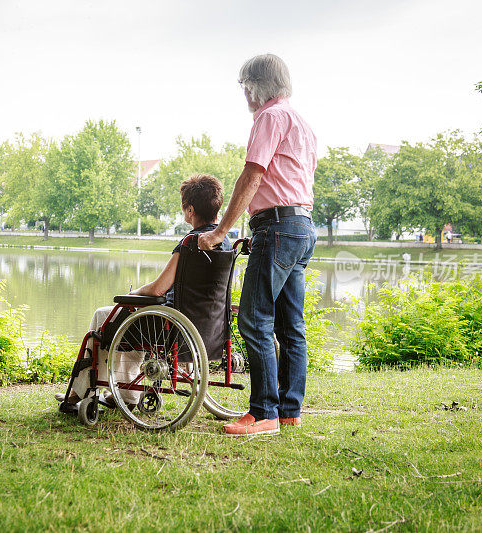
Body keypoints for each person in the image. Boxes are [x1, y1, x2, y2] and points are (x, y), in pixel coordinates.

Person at [199, 53, 317, 436]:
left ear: (255, 85)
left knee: (254, 319)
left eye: (244, 86)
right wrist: (258, 225)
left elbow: (254, 174)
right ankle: (288, 410)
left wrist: (221, 232)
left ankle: (264, 413)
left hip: (280, 229)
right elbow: (289, 183)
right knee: (290, 325)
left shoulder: (269, 117)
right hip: (299, 226)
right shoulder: (301, 122)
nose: (244, 94)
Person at [63, 173, 231, 406]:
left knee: (105, 316)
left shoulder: (190, 242)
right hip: (207, 327)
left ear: (190, 210)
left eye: (184, 208)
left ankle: (78, 394)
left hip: (171, 326)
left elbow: (158, 289)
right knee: (131, 321)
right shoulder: (226, 242)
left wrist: (133, 293)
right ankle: (126, 394)